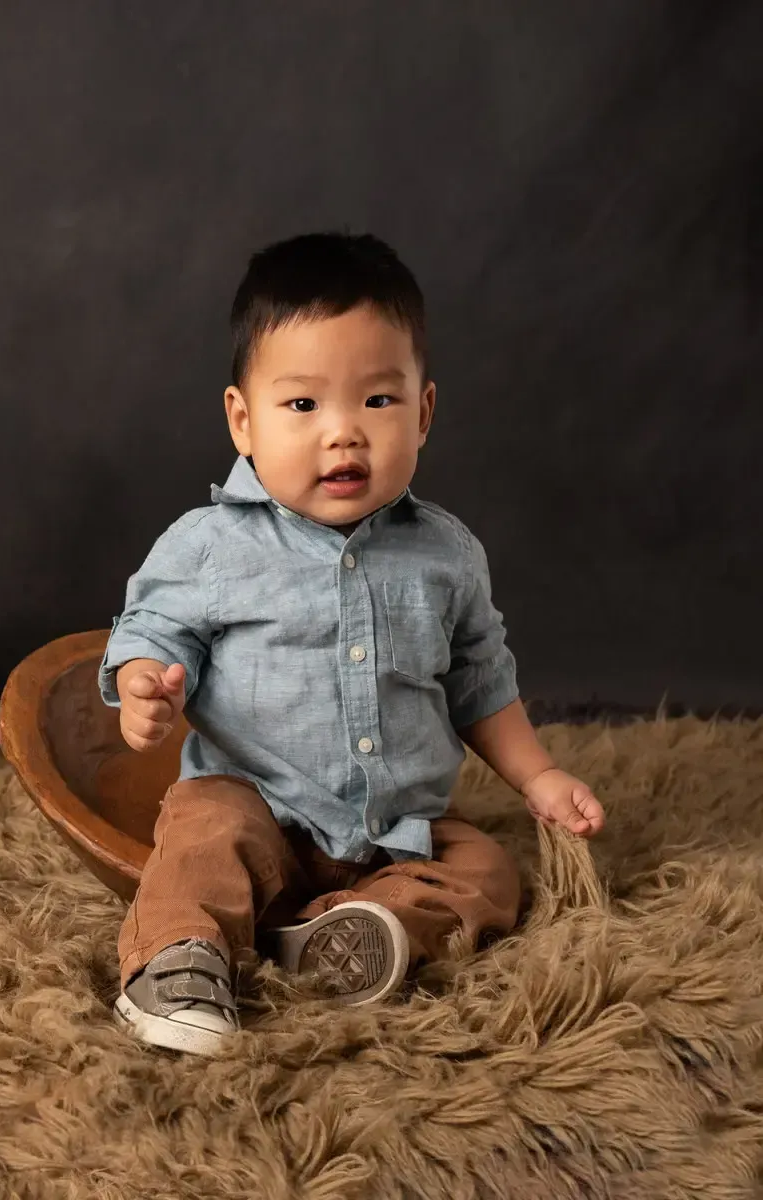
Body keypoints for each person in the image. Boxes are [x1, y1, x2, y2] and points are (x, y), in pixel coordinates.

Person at [100, 232, 606, 1058]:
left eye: (377, 402)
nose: (344, 435)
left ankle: (354, 932)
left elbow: (481, 679)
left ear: (425, 411)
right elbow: (150, 629)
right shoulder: (210, 545)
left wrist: (539, 776)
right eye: (303, 406)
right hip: (260, 805)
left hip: (397, 831)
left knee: (487, 870)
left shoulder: (447, 555)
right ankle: (177, 963)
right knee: (200, 834)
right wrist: (143, 682)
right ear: (243, 420)